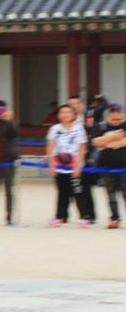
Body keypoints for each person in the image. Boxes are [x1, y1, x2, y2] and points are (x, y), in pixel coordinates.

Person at [47, 103, 93, 227]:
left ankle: (84, 217)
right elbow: (50, 147)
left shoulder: (79, 129)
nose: (65, 115)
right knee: (62, 192)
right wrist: (51, 165)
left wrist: (78, 166)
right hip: (59, 165)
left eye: (68, 112)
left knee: (78, 192)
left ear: (73, 115)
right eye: (62, 112)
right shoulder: (55, 129)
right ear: (58, 115)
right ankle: (59, 216)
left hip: (74, 165)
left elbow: (82, 148)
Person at [93, 103, 126, 229]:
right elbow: (96, 142)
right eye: (114, 119)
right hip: (105, 166)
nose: (117, 122)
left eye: (119, 119)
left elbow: (124, 142)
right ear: (108, 116)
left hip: (124, 165)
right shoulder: (100, 126)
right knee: (110, 194)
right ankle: (115, 218)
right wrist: (115, 137)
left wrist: (106, 142)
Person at [67, 94, 98, 222]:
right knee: (67, 187)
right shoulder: (65, 120)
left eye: (76, 104)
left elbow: (93, 136)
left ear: (81, 105)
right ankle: (64, 214)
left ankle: (90, 214)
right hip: (68, 158)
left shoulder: (89, 118)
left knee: (86, 187)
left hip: (86, 156)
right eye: (71, 104)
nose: (73, 106)